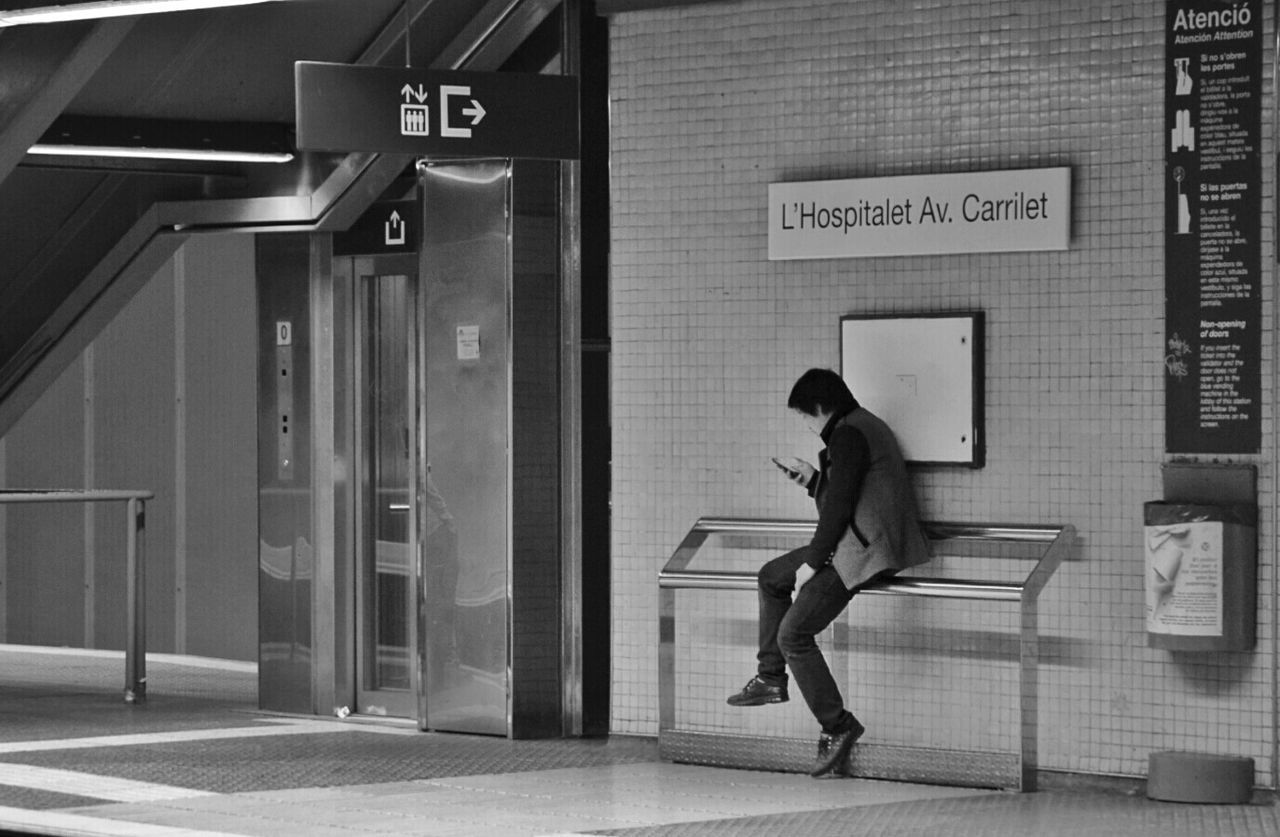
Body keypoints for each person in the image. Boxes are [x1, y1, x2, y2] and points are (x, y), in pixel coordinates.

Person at [727, 368, 930, 777]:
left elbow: (838, 510)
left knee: (794, 634)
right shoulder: (862, 426)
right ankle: (770, 677)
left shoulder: (849, 434)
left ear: (820, 408)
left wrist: (812, 563)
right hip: (858, 541)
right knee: (771, 576)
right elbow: (847, 493)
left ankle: (838, 726)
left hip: (864, 551)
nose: (806, 425)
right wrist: (810, 478)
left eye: (805, 416)